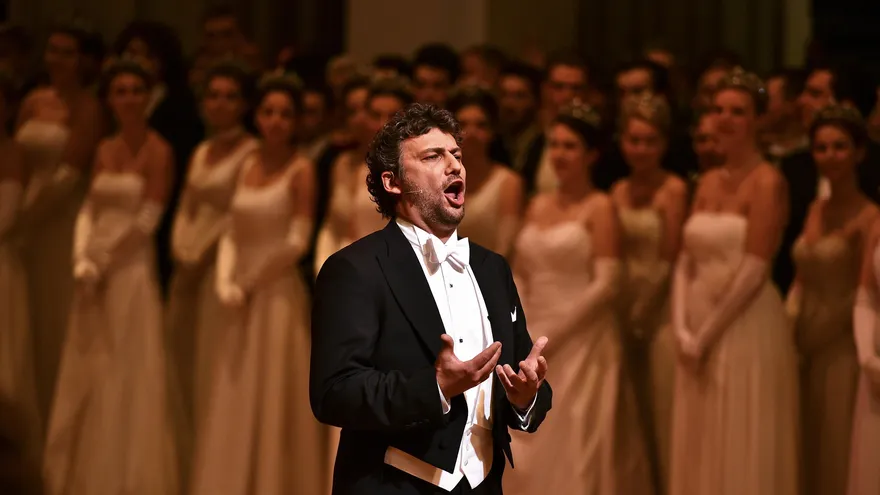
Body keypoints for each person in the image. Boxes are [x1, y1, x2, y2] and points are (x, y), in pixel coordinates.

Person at [310, 103, 553, 495]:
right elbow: (334, 394)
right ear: (393, 182)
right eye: (433, 156)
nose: (455, 165)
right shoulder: (356, 269)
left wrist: (526, 398)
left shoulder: (492, 269)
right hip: (391, 484)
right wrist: (435, 387)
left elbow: (523, 384)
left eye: (457, 154)